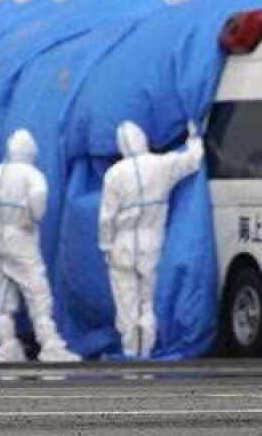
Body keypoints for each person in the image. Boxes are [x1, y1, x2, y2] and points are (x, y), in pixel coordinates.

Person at [0, 129, 79, 363]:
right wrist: (31, 217)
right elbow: (38, 199)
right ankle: (50, 346)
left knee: (3, 299)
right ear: (30, 151)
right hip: (21, 238)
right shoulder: (31, 174)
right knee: (38, 293)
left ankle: (7, 348)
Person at [98, 120, 203, 359]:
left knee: (126, 301)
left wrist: (105, 245)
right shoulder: (161, 165)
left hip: (121, 245)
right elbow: (192, 160)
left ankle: (129, 352)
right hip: (152, 241)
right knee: (148, 298)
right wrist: (194, 136)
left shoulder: (114, 174)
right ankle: (146, 352)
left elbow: (107, 217)